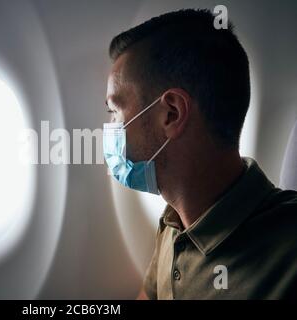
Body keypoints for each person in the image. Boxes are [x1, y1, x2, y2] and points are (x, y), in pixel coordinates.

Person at [103, 8, 297, 299]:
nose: (109, 129)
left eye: (115, 112)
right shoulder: (173, 226)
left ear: (171, 113)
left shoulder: (288, 253)